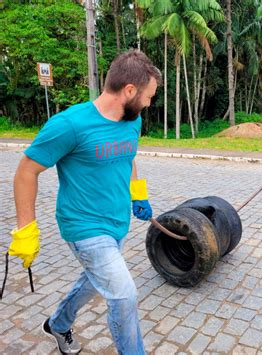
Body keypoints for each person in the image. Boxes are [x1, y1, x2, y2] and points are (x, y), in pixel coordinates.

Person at [8, 49, 161, 354]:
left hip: (117, 223)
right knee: (122, 294)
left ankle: (58, 324)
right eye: (148, 96)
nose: (148, 103)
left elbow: (128, 157)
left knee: (93, 282)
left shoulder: (133, 120)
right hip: (84, 227)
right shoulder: (69, 125)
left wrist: (138, 193)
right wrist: (26, 228)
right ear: (129, 90)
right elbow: (26, 171)